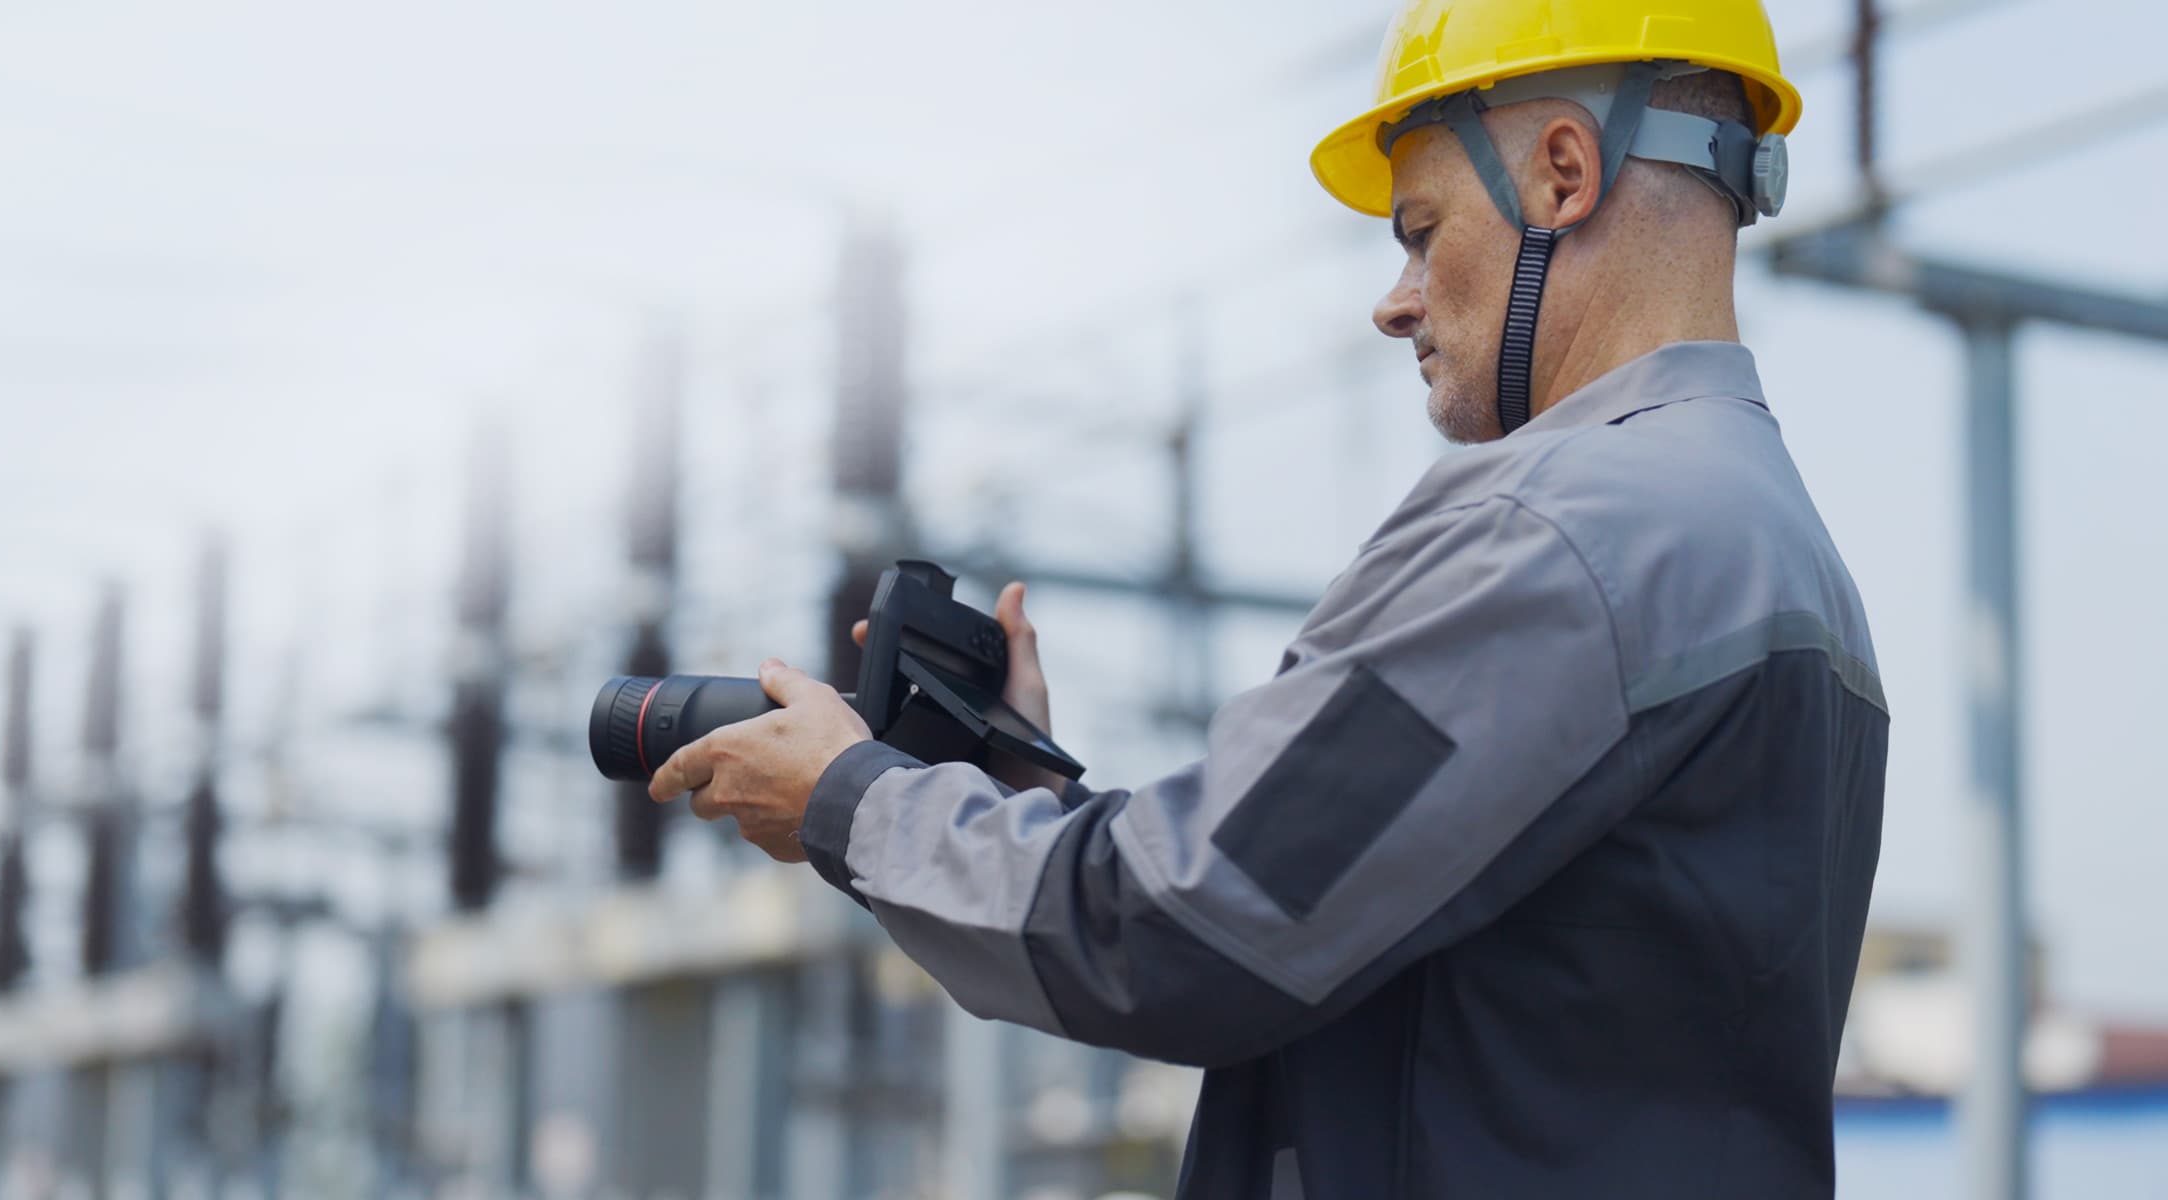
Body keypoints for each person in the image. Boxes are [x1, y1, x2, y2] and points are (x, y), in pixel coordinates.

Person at [647, 0, 1888, 1193]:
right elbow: (1358, 920)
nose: (1394, 300)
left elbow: (1186, 937)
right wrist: (1034, 791)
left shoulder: (1563, 533)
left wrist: (853, 804)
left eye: (1419, 230)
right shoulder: (1773, 545)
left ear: (1563, 173)